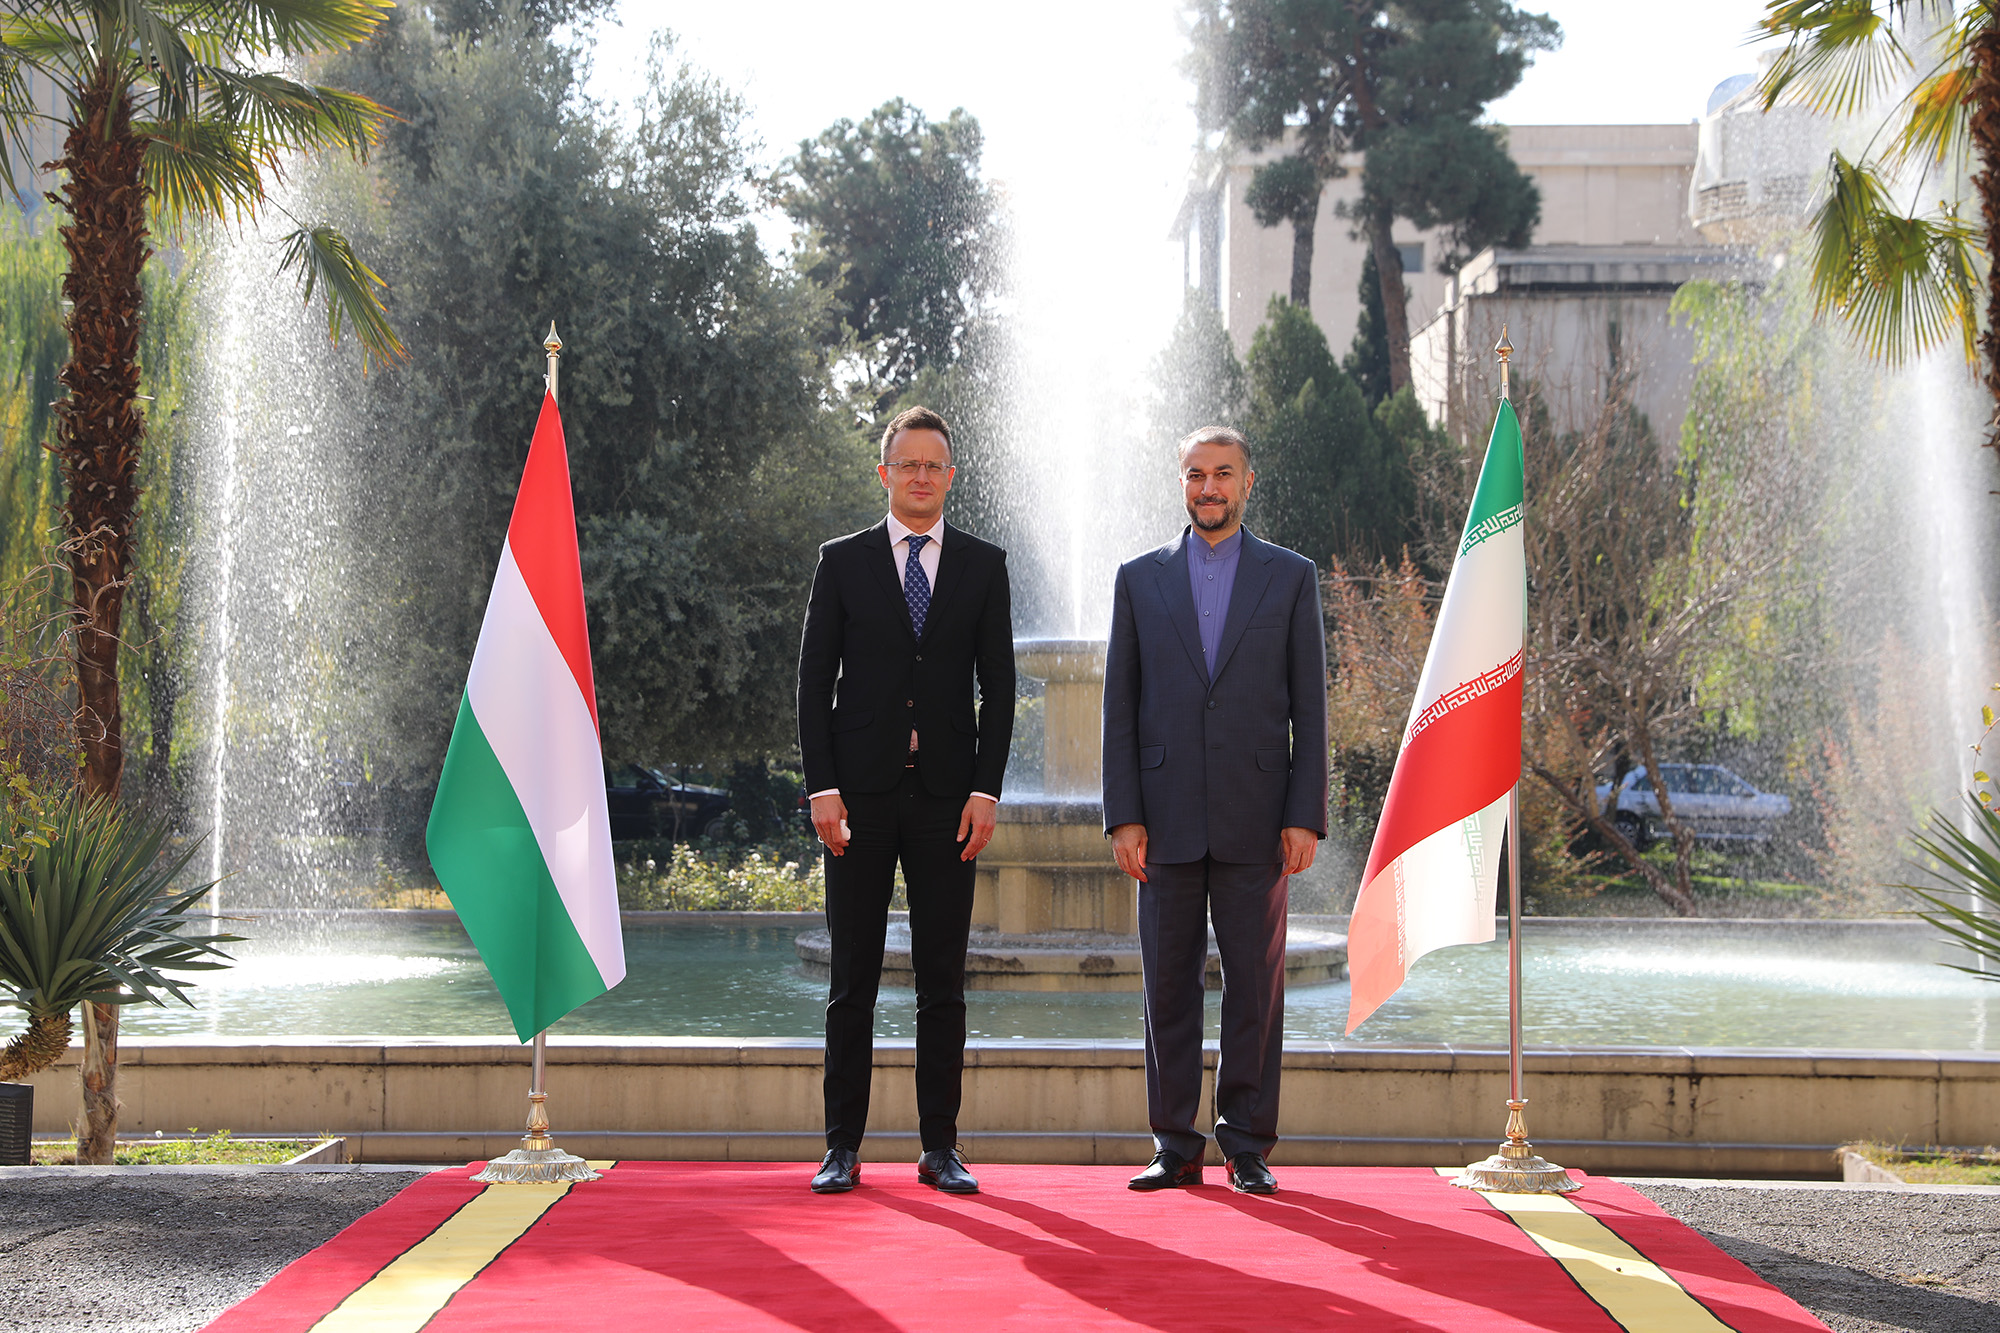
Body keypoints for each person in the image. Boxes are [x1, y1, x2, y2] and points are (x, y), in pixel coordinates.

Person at [1101, 424, 1329, 1195]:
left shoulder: (1290, 577)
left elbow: (1311, 707)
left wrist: (1304, 813)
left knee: (1254, 991)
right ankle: (1174, 1143)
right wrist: (1123, 814)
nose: (1209, 487)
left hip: (1258, 818)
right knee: (1167, 986)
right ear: (1182, 482)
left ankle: (1247, 1145)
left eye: (1223, 473)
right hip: (1161, 819)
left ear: (1247, 482)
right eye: (1196, 473)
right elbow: (1120, 706)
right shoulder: (1138, 579)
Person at [796, 405, 1015, 1196]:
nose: (920, 476)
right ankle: (841, 1148)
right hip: (857, 798)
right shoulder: (842, 561)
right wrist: (822, 786)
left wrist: (986, 788)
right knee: (851, 979)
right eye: (907, 463)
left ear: (950, 475)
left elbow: (1000, 686)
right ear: (884, 472)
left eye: (933, 465)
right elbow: (813, 681)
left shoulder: (984, 565)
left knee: (942, 983)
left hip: (948, 800)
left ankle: (940, 1147)